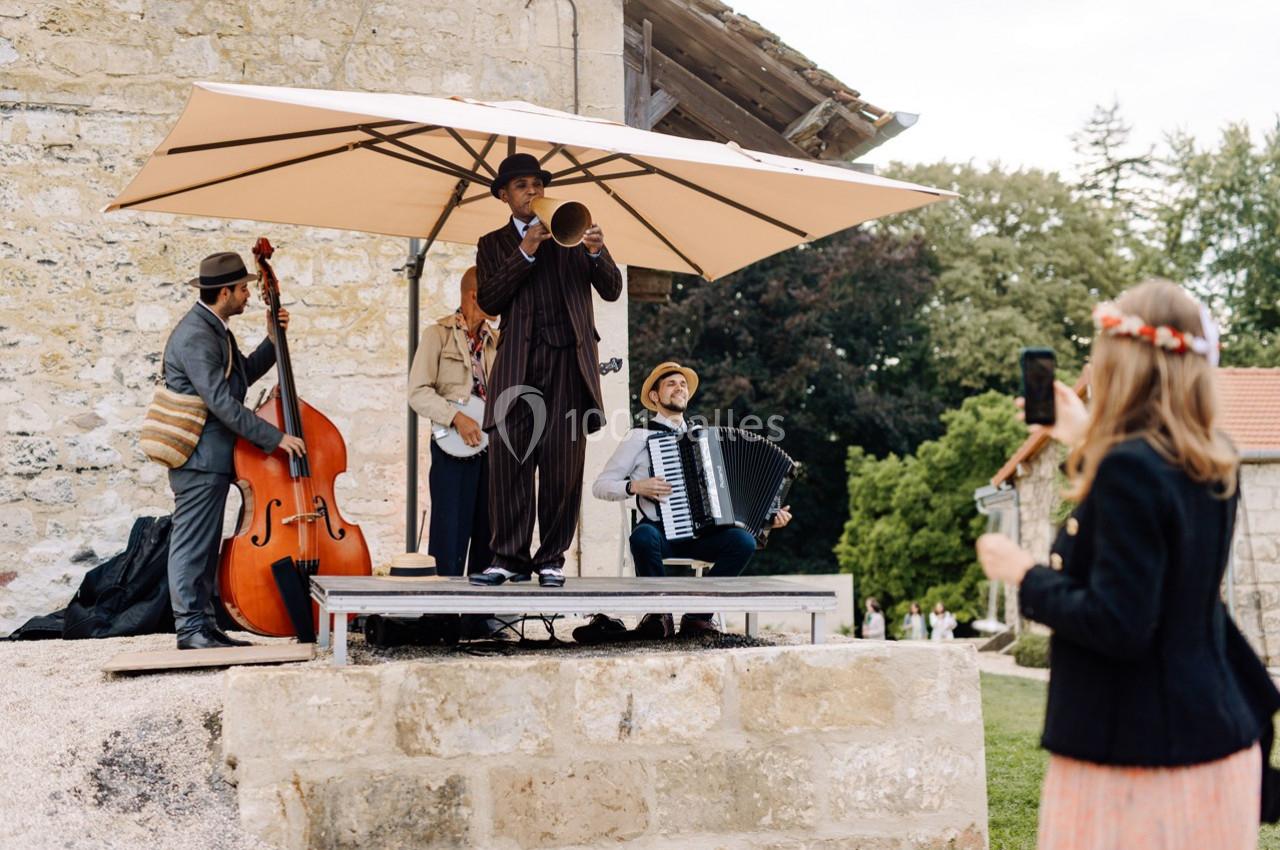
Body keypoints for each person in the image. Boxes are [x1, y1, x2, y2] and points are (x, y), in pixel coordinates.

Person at [976, 279, 1280, 849]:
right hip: (1217, 742)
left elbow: (1120, 622)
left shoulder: (1127, 469)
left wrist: (1023, 572)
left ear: (1122, 361)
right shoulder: (1214, 459)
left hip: (1141, 762)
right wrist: (1086, 436)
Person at [469, 153, 623, 589]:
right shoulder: (492, 243)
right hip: (519, 364)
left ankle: (551, 559)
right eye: (521, 186)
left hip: (569, 367)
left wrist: (596, 252)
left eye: (536, 183)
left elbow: (611, 289)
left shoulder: (572, 235)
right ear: (504, 196)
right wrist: (526, 251)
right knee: (509, 464)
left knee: (562, 467)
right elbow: (492, 300)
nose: (532, 192)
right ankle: (508, 559)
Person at [582, 361, 793, 641]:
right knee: (642, 537)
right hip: (660, 533)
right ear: (655, 397)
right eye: (671, 383)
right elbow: (600, 486)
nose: (679, 388)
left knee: (743, 541)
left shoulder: (707, 440)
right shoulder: (639, 436)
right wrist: (635, 486)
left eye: (683, 384)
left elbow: (731, 496)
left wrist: (767, 520)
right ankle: (659, 614)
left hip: (702, 535)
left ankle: (697, 618)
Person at [162, 252, 305, 650]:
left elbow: (241, 375)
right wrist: (275, 437)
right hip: (199, 459)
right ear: (224, 292)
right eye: (243, 288)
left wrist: (273, 341)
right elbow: (222, 403)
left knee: (206, 545)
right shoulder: (195, 335)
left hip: (213, 459)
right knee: (193, 543)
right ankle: (190, 629)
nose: (248, 294)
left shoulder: (215, 328)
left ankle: (204, 627)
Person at [408, 266, 498, 577]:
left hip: (491, 448)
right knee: (449, 534)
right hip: (452, 450)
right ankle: (443, 618)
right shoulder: (437, 335)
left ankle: (479, 621)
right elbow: (417, 393)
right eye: (493, 292)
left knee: (489, 534)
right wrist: (456, 417)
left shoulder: (498, 342)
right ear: (474, 295)